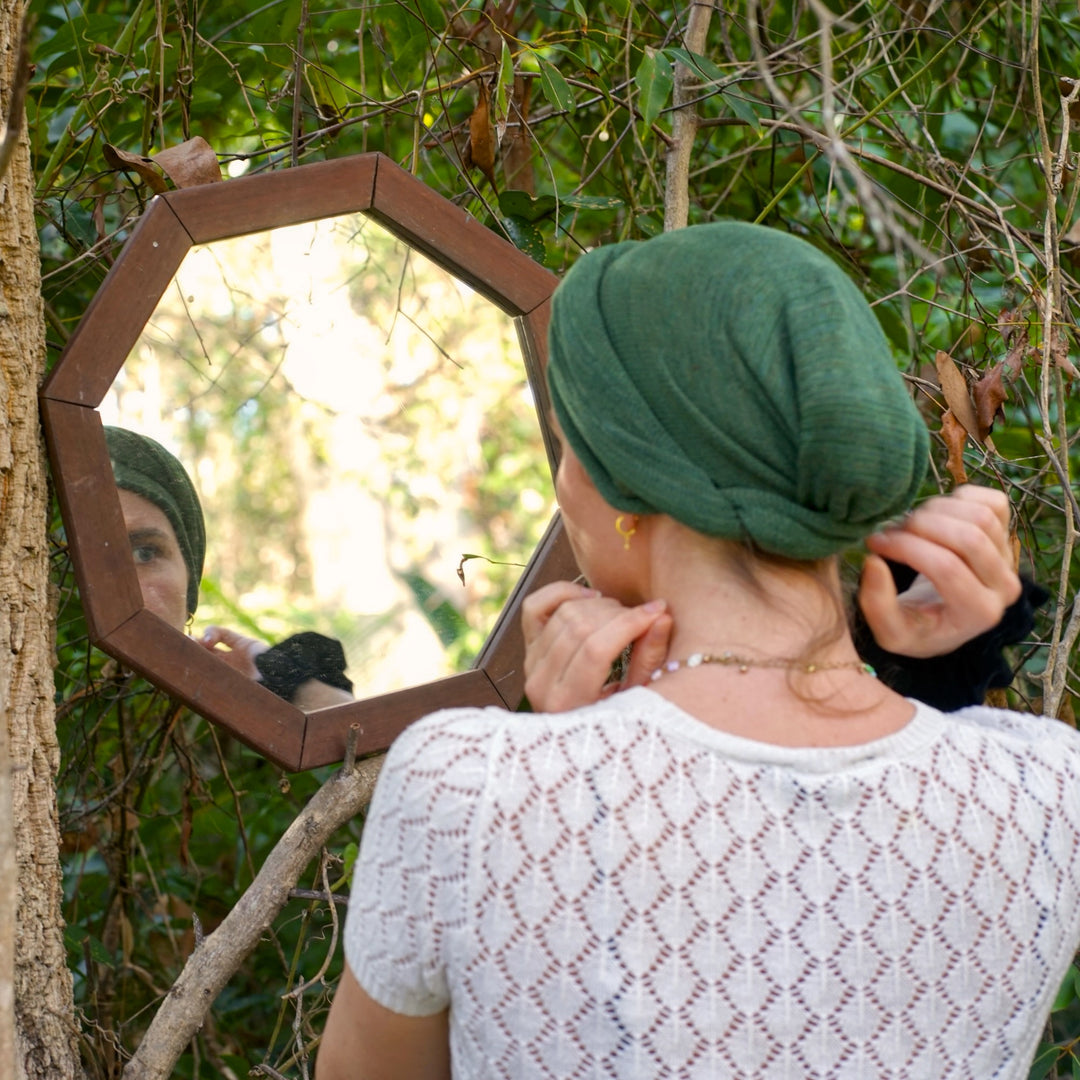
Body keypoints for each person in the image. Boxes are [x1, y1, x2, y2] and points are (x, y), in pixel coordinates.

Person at [317, 222, 1080, 1080]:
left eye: (571, 448)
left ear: (626, 487)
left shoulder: (469, 786)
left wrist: (553, 765)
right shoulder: (1050, 789)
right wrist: (935, 680)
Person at [105, 426, 354, 711]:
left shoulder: (213, 724)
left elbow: (363, 742)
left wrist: (278, 680)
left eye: (144, 553)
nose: (119, 587)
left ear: (188, 579)